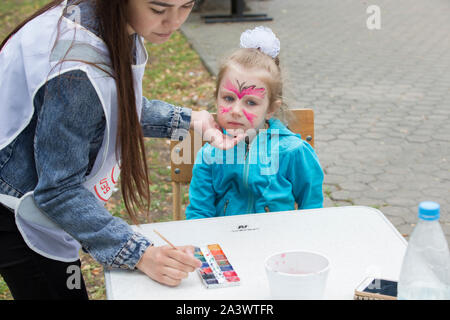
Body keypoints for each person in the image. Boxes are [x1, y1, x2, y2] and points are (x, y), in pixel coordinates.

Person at [0, 0, 243, 300]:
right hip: (17, 212)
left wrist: (192, 120)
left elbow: (109, 105)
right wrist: (140, 254)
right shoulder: (77, 72)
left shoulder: (106, 17)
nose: (175, 21)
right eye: (158, 9)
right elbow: (58, 190)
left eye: (186, 6)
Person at [185, 26, 324, 220]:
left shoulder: (293, 152)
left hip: (279, 244)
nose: (235, 110)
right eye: (228, 98)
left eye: (250, 102)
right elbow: (199, 213)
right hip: (225, 243)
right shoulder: (210, 155)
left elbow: (312, 209)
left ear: (270, 109)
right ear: (216, 98)